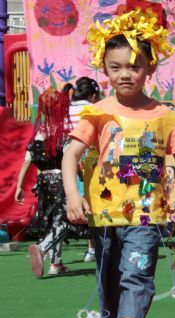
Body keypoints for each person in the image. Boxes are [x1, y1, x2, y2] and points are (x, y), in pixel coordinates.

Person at [62, 9, 175, 318]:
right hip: (104, 217)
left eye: (135, 66)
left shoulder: (165, 116)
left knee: (136, 277)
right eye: (116, 67)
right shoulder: (97, 113)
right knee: (110, 287)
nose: (126, 74)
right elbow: (70, 155)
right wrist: (73, 197)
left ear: (149, 69)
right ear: (104, 69)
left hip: (146, 216)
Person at [15, 88, 82, 277]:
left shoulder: (38, 134)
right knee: (65, 219)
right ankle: (43, 248)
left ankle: (56, 263)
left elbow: (27, 160)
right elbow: (72, 160)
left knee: (52, 220)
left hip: (43, 182)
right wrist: (84, 176)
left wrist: (19, 186)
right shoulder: (65, 134)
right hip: (61, 181)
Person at [63, 77, 102, 263]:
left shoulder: (66, 109)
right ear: (93, 95)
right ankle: (92, 248)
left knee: (74, 205)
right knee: (92, 203)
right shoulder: (92, 109)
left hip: (66, 160)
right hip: (88, 158)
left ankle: (55, 252)